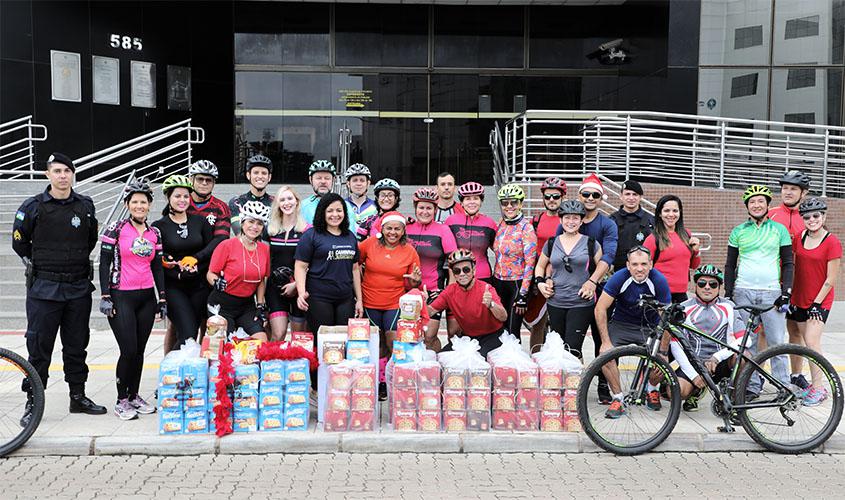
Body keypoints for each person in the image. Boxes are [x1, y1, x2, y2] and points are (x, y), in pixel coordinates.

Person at [13, 152, 106, 425]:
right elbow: (19, 243)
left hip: (77, 287)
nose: (62, 176)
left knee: (77, 346)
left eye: (67, 170)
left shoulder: (85, 206)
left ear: (73, 174)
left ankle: (77, 396)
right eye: (57, 171)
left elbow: (90, 239)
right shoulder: (32, 207)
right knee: (39, 349)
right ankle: (34, 403)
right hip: (44, 289)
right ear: (48, 175)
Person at [98, 179, 166, 420]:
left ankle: (134, 395)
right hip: (121, 295)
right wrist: (105, 295)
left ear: (149, 205)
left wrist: (162, 299)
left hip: (146, 297)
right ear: (127, 204)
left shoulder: (153, 232)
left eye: (143, 202)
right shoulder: (115, 229)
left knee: (139, 351)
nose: (139, 206)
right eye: (135, 202)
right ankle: (121, 400)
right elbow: (104, 262)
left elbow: (158, 267)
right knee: (127, 349)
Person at [724, 185, 793, 399]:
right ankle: (752, 386)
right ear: (747, 206)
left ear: (767, 204)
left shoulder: (779, 230)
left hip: (772, 292)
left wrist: (786, 292)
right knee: (748, 343)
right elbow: (729, 265)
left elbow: (789, 263)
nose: (756, 205)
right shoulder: (738, 231)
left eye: (760, 201)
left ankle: (784, 387)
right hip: (743, 291)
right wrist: (729, 293)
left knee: (777, 341)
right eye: (752, 202)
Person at [555, 173, 619, 403]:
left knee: (603, 338)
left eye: (595, 194)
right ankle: (575, 386)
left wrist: (592, 281)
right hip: (572, 293)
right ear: (579, 195)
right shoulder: (568, 221)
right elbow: (556, 251)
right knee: (572, 342)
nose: (590, 198)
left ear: (601, 198)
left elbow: (609, 255)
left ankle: (604, 386)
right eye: (586, 194)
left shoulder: (607, 224)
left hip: (600, 288)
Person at [595, 246, 671, 418]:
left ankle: (652, 389)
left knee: (662, 360)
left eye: (644, 264)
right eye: (635, 264)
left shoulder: (658, 280)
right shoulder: (619, 278)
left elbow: (666, 317)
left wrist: (664, 351)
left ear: (651, 264)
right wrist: (606, 342)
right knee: (604, 354)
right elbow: (600, 308)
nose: (639, 269)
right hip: (622, 324)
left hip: (649, 327)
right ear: (628, 265)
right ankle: (618, 398)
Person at [359, 211, 422, 399]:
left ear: (403, 231)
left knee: (393, 341)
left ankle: (394, 380)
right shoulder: (369, 244)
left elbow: (413, 282)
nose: (392, 232)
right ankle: (377, 381)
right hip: (369, 301)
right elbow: (355, 264)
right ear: (382, 228)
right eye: (389, 228)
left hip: (394, 302)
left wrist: (415, 281)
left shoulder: (410, 251)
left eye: (397, 229)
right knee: (375, 344)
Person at [670, 265, 746, 412]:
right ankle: (695, 391)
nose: (707, 288)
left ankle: (735, 402)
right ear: (695, 285)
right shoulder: (683, 308)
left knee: (743, 357)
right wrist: (693, 376)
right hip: (694, 363)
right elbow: (675, 344)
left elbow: (744, 340)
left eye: (713, 284)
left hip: (719, 362)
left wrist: (717, 358)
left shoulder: (729, 306)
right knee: (677, 392)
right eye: (702, 283)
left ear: (719, 288)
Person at [152, 175, 215, 353]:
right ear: (168, 198)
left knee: (191, 332)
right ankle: (171, 371)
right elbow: (158, 261)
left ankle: (184, 374)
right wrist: (177, 273)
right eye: (177, 196)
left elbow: (210, 253)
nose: (182, 200)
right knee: (187, 333)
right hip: (174, 287)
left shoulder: (200, 222)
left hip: (198, 286)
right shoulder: (159, 226)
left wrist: (196, 264)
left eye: (186, 196)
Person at [789, 197, 841, 405]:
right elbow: (793, 266)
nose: (812, 220)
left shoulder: (832, 242)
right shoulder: (799, 237)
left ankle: (819, 389)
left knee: (812, 342)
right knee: (800, 340)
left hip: (819, 301)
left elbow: (830, 279)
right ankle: (808, 384)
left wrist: (816, 304)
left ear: (824, 216)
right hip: (799, 298)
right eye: (807, 217)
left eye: (816, 216)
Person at [535, 200, 602, 359]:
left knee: (572, 349)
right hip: (555, 301)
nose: (571, 222)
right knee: (558, 347)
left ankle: (577, 383)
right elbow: (540, 266)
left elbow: (604, 269)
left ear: (581, 220)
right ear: (560, 220)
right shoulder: (552, 242)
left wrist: (592, 283)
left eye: (575, 218)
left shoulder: (591, 243)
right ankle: (563, 382)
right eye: (567, 218)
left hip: (580, 303)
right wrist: (542, 282)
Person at [294, 193, 364, 342]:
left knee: (344, 341)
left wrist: (359, 299)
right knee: (325, 342)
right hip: (319, 297)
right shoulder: (311, 235)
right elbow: (300, 266)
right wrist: (301, 293)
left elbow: (355, 269)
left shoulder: (350, 236)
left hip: (345, 298)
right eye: (330, 211)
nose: (335, 214)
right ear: (322, 212)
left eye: (339, 210)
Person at [206, 201, 272, 342]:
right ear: (242, 223)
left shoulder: (264, 249)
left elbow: (261, 280)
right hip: (222, 304)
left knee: (261, 340)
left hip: (246, 305)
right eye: (251, 221)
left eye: (259, 223)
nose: (255, 227)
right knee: (226, 345)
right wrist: (216, 282)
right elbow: (211, 273)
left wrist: (260, 304)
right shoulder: (226, 245)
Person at [428, 250, 508, 357]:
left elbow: (503, 317)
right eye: (457, 271)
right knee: (442, 357)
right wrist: (420, 302)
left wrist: (491, 305)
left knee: (477, 362)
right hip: (468, 337)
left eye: (466, 270)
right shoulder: (450, 291)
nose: (462, 274)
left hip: (493, 336)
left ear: (474, 270)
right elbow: (431, 310)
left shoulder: (486, 288)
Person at [406, 187, 458, 350]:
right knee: (409, 334)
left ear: (436, 209)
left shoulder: (443, 230)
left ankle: (433, 366)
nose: (425, 211)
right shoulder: (406, 228)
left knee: (429, 336)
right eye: (421, 207)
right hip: (408, 291)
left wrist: (450, 288)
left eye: (429, 208)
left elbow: (453, 261)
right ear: (415, 208)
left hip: (434, 290)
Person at [527, 176, 567, 352]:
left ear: (563, 197)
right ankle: (536, 362)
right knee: (538, 323)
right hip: (541, 275)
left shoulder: (568, 220)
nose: (551, 200)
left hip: (563, 275)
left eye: (556, 196)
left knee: (562, 325)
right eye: (548, 196)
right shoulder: (536, 221)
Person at [492, 184, 537, 341]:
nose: (509, 206)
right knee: (498, 327)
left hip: (517, 284)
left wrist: (523, 294)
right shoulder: (500, 224)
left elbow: (530, 264)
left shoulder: (526, 228)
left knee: (512, 329)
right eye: (505, 203)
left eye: (514, 202)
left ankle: (514, 363)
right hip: (498, 281)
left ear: (521, 203)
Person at [267, 185, 310, 341]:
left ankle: (296, 366)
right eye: (282, 199)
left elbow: (311, 263)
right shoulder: (270, 230)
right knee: (278, 334)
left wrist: (296, 285)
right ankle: (272, 365)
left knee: (299, 338)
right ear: (277, 204)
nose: (287, 203)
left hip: (299, 289)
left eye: (290, 198)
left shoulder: (307, 231)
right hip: (274, 289)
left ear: (297, 202)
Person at [643, 195, 701, 303]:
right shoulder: (652, 239)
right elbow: (643, 267)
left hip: (682, 294)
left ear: (680, 212)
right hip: (659, 294)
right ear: (660, 214)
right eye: (666, 211)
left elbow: (693, 265)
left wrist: (696, 251)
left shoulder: (686, 234)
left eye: (675, 211)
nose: (671, 214)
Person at [300, 160, 357, 232]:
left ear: (333, 180)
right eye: (318, 178)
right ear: (311, 180)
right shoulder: (302, 206)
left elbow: (350, 235)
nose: (323, 181)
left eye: (327, 178)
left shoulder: (345, 206)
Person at [610, 179, 654, 271]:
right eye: (627, 194)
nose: (631, 198)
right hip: (617, 271)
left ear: (640, 197)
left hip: (642, 272)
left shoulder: (651, 220)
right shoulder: (611, 220)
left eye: (635, 194)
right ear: (621, 196)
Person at [229, 154, 274, 238]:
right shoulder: (237, 202)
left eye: (264, 173)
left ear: (269, 177)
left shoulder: (276, 203)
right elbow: (239, 234)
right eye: (256, 172)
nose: (260, 176)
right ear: (248, 175)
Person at [769, 170, 810, 239]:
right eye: (785, 188)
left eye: (793, 189)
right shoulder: (769, 214)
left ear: (803, 193)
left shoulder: (810, 218)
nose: (788, 192)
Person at [344, 163, 377, 228]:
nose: (358, 184)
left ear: (368, 183)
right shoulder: (342, 205)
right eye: (355, 180)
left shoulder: (376, 206)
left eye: (362, 180)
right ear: (348, 184)